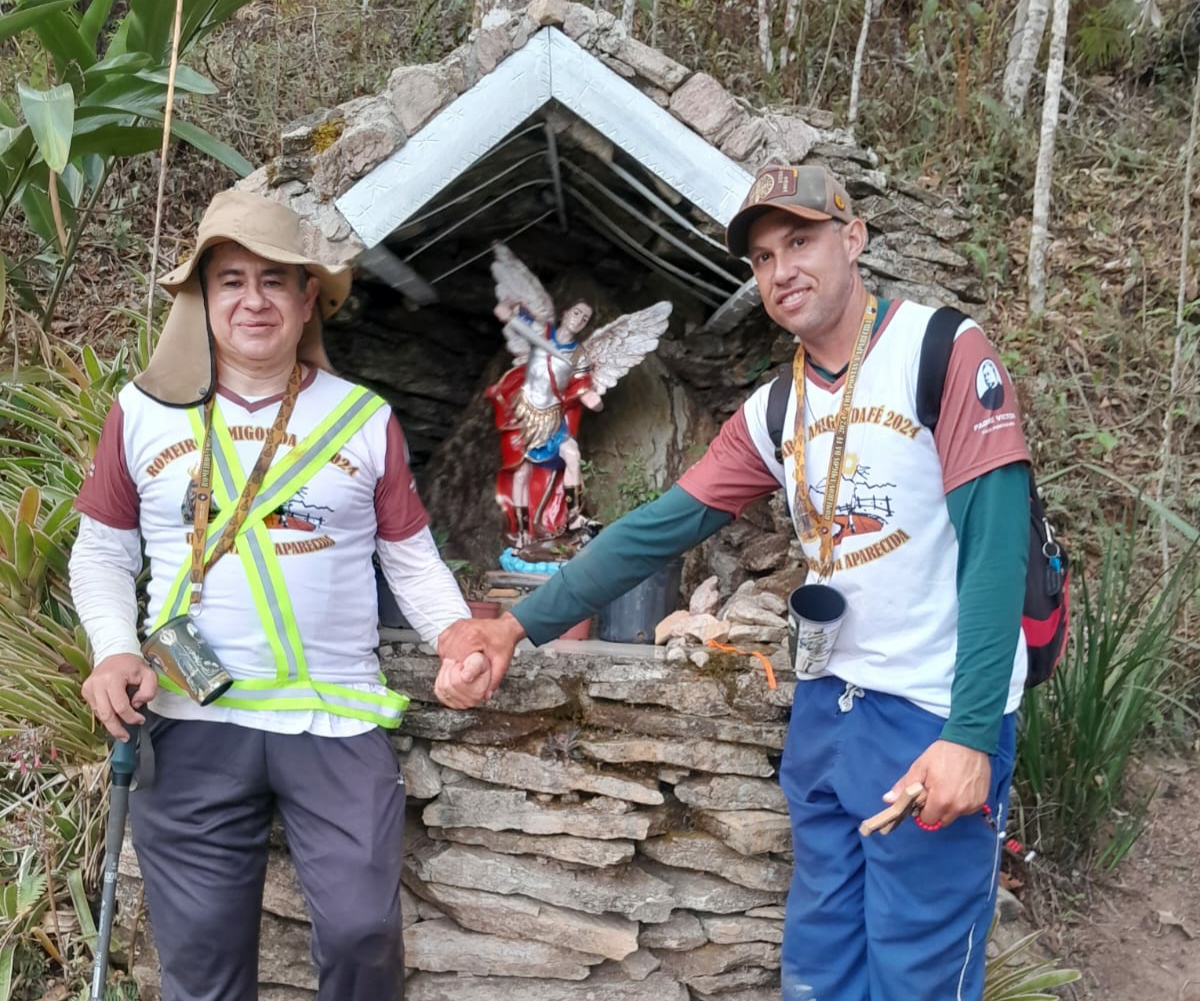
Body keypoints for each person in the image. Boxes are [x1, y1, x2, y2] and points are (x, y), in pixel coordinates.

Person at [435, 164, 1032, 1001]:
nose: (782, 268)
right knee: (820, 968)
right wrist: (515, 625)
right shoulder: (776, 408)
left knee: (918, 975)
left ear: (852, 238)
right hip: (835, 708)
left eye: (801, 239)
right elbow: (660, 525)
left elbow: (997, 550)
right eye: (761, 256)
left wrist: (970, 734)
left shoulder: (940, 353)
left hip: (935, 714)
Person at [70, 190, 485, 1001]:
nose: (252, 300)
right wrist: (113, 648)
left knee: (364, 933)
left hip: (334, 718)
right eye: (230, 280)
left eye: (273, 280)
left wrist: (456, 635)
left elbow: (410, 557)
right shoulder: (142, 414)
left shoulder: (363, 418)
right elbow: (103, 551)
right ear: (202, 298)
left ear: (306, 302)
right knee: (199, 964)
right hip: (189, 719)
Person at [485, 297, 602, 547]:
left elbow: (582, 386)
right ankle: (522, 531)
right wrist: (512, 302)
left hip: (551, 417)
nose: (579, 319)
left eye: (585, 318)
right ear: (566, 311)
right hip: (523, 413)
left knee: (572, 453)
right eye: (577, 312)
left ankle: (573, 516)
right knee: (521, 473)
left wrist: (590, 398)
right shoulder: (542, 332)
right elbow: (502, 312)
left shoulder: (580, 355)